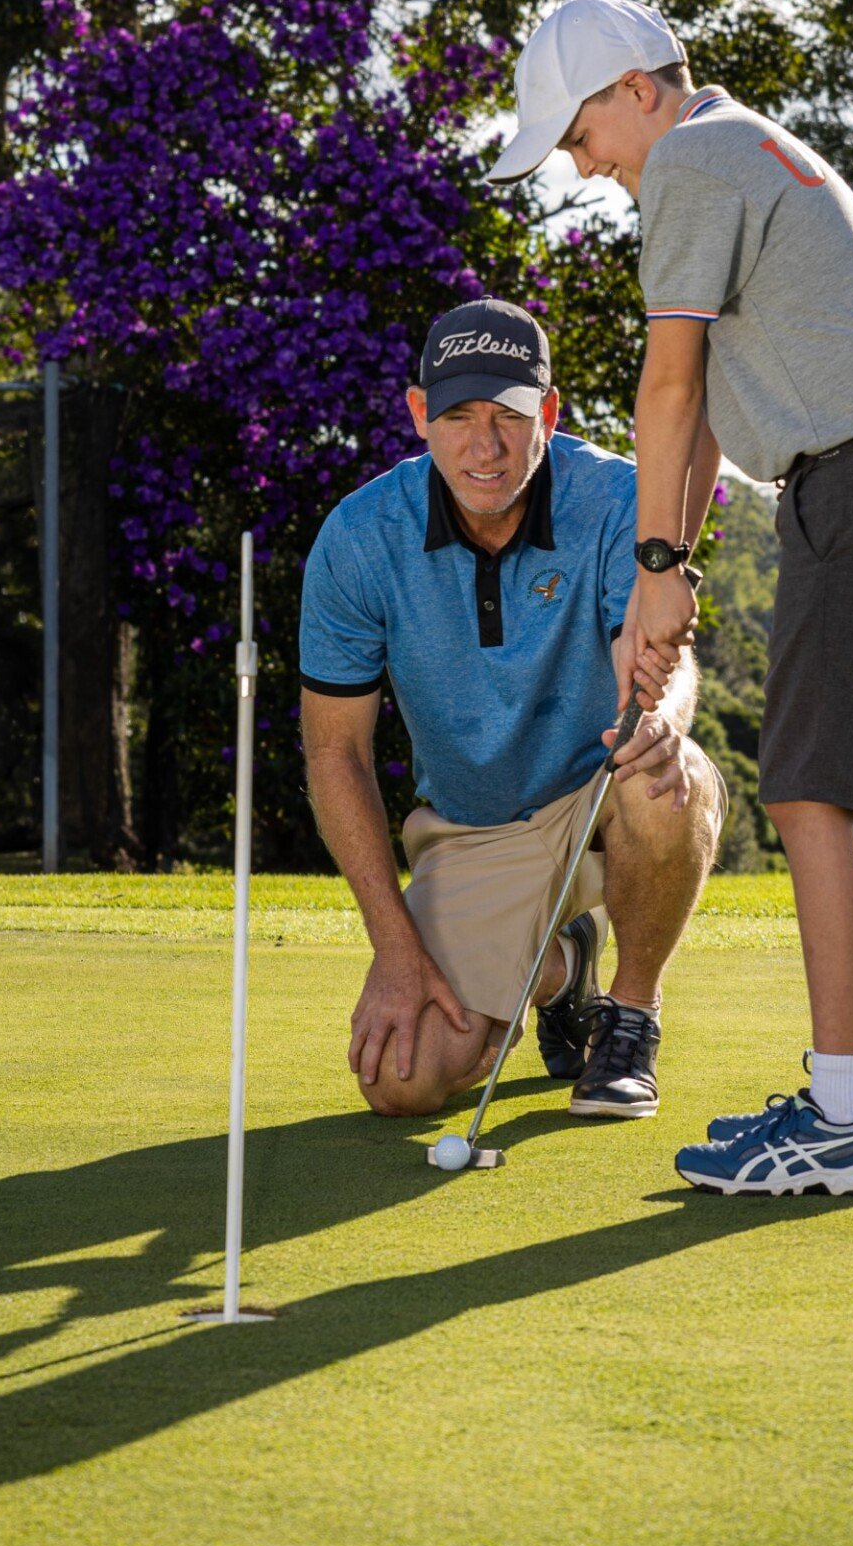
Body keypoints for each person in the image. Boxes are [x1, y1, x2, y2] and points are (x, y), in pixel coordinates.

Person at [488, 0, 853, 1196]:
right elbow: (696, 412)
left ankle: (844, 1115)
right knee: (838, 802)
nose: (583, 165)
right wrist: (675, 566)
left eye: (582, 133)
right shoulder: (738, 143)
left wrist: (651, 576)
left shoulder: (691, 161)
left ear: (638, 88)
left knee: (808, 796)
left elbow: (664, 386)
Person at [299, 298, 727, 1125]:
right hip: (473, 828)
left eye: (510, 416)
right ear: (420, 413)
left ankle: (629, 1020)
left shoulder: (617, 499)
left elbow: (655, 656)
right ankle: (564, 968)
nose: (485, 447)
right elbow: (335, 757)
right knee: (402, 1081)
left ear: (551, 414)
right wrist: (394, 948)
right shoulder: (358, 538)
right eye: (458, 416)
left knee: (659, 772)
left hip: (599, 798)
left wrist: (663, 716)